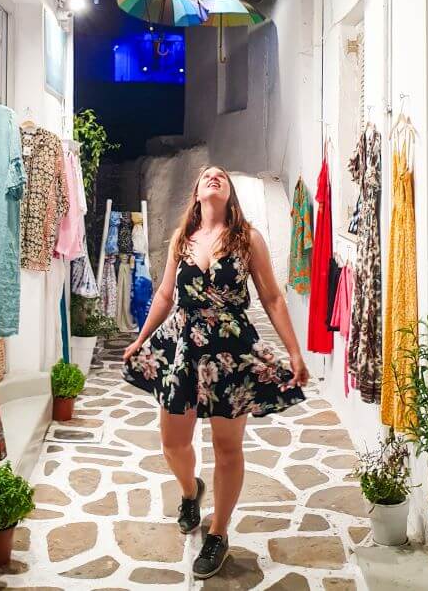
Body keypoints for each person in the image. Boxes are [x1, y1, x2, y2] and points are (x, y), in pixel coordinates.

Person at [122, 166, 309, 580]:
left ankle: (219, 535)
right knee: (172, 441)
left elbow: (274, 298)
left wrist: (294, 352)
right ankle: (191, 492)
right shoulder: (181, 241)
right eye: (207, 175)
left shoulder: (248, 239)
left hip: (230, 348)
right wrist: (141, 338)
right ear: (196, 192)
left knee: (227, 448)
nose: (213, 177)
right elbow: (166, 294)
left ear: (229, 193)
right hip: (185, 345)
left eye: (220, 176)